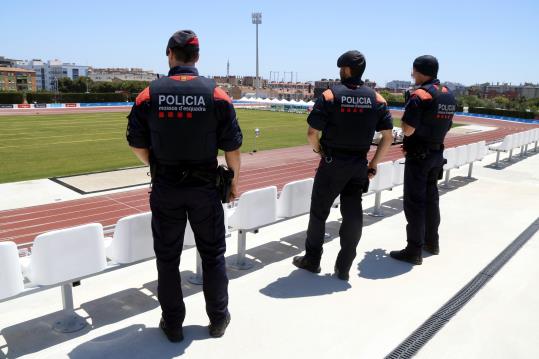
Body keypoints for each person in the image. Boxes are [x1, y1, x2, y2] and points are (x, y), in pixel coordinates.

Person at [126, 30, 243, 342]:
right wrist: (232, 182)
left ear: (169, 53)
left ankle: (173, 323)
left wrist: (155, 162)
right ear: (198, 57)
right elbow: (232, 149)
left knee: (167, 259)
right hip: (206, 189)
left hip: (166, 188)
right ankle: (218, 319)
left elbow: (136, 143)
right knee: (213, 256)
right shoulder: (217, 94)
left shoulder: (149, 94)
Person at [292, 50, 393, 281]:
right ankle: (344, 267)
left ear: (346, 70)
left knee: (319, 213)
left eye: (341, 68)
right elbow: (387, 136)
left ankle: (312, 260)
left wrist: (320, 151)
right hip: (359, 163)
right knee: (353, 214)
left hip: (332, 163)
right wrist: (374, 163)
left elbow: (311, 133)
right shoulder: (377, 99)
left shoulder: (330, 95)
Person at [390, 55, 456, 265]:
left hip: (419, 157)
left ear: (419, 71)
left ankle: (413, 250)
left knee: (415, 203)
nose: (411, 74)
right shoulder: (448, 94)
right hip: (437, 153)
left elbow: (407, 130)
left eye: (413, 71)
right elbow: (447, 125)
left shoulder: (419, 95)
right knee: (431, 200)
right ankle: (432, 243)